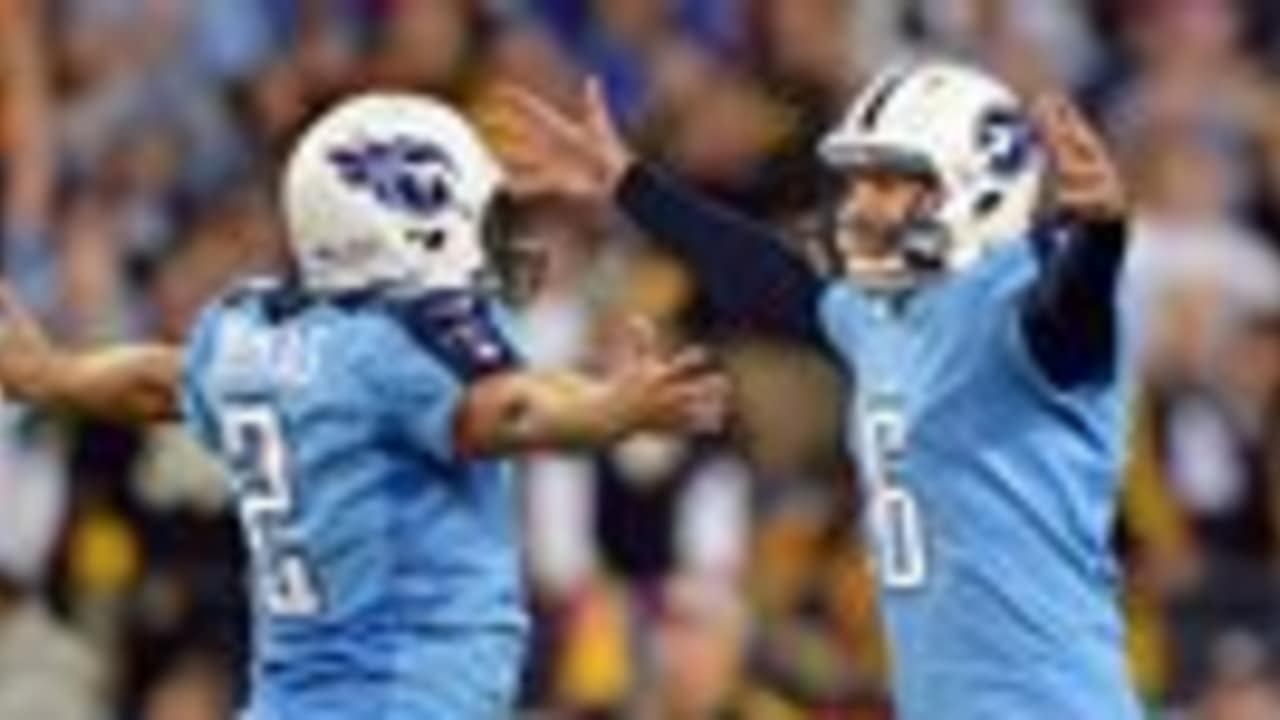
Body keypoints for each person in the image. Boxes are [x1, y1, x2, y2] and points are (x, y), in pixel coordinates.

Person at [0, 94, 729, 720]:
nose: (491, 240)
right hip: (409, 695)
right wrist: (608, 415)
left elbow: (160, 380)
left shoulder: (250, 329)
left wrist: (55, 377)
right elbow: (501, 410)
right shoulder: (402, 342)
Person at [491, 60, 1140, 719]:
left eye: (888, 183)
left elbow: (1071, 315)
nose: (860, 208)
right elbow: (767, 280)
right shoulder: (892, 317)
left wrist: (1101, 236)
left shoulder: (1021, 308)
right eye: (859, 184)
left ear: (976, 185)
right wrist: (629, 185)